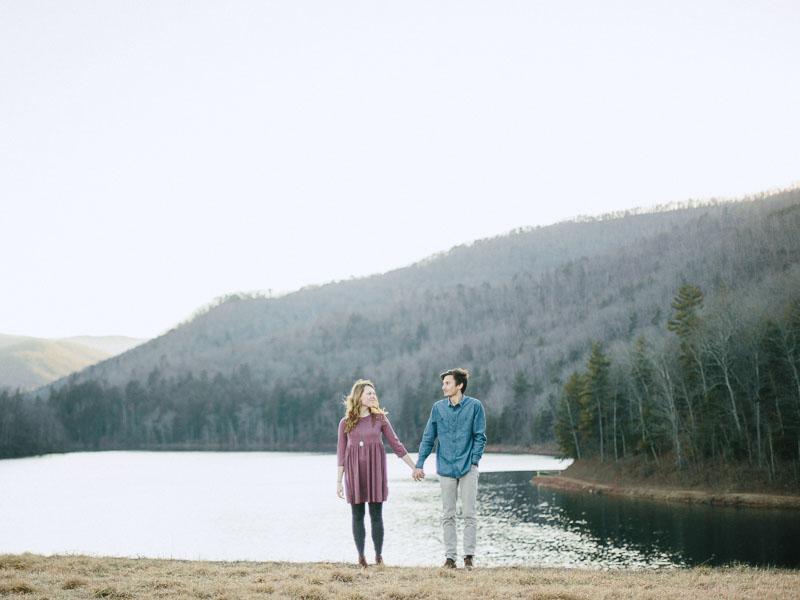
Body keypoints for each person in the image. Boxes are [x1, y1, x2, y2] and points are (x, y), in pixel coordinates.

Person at [337, 379, 417, 567]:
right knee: (357, 515)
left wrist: (414, 467)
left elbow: (396, 444)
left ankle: (379, 556)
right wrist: (338, 482)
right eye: (369, 393)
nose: (373, 396)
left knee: (376, 514)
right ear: (359, 397)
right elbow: (341, 453)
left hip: (375, 471)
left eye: (374, 393)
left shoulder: (380, 418)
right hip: (354, 472)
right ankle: (361, 557)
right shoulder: (345, 422)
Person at [413, 368, 486, 569]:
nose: (443, 387)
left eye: (447, 383)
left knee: (470, 514)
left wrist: (474, 460)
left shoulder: (475, 406)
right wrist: (419, 463)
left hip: (468, 467)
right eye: (444, 383)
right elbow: (428, 438)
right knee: (448, 515)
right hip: (445, 467)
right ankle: (450, 558)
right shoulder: (438, 408)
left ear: (459, 385)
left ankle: (469, 557)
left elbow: (480, 436)